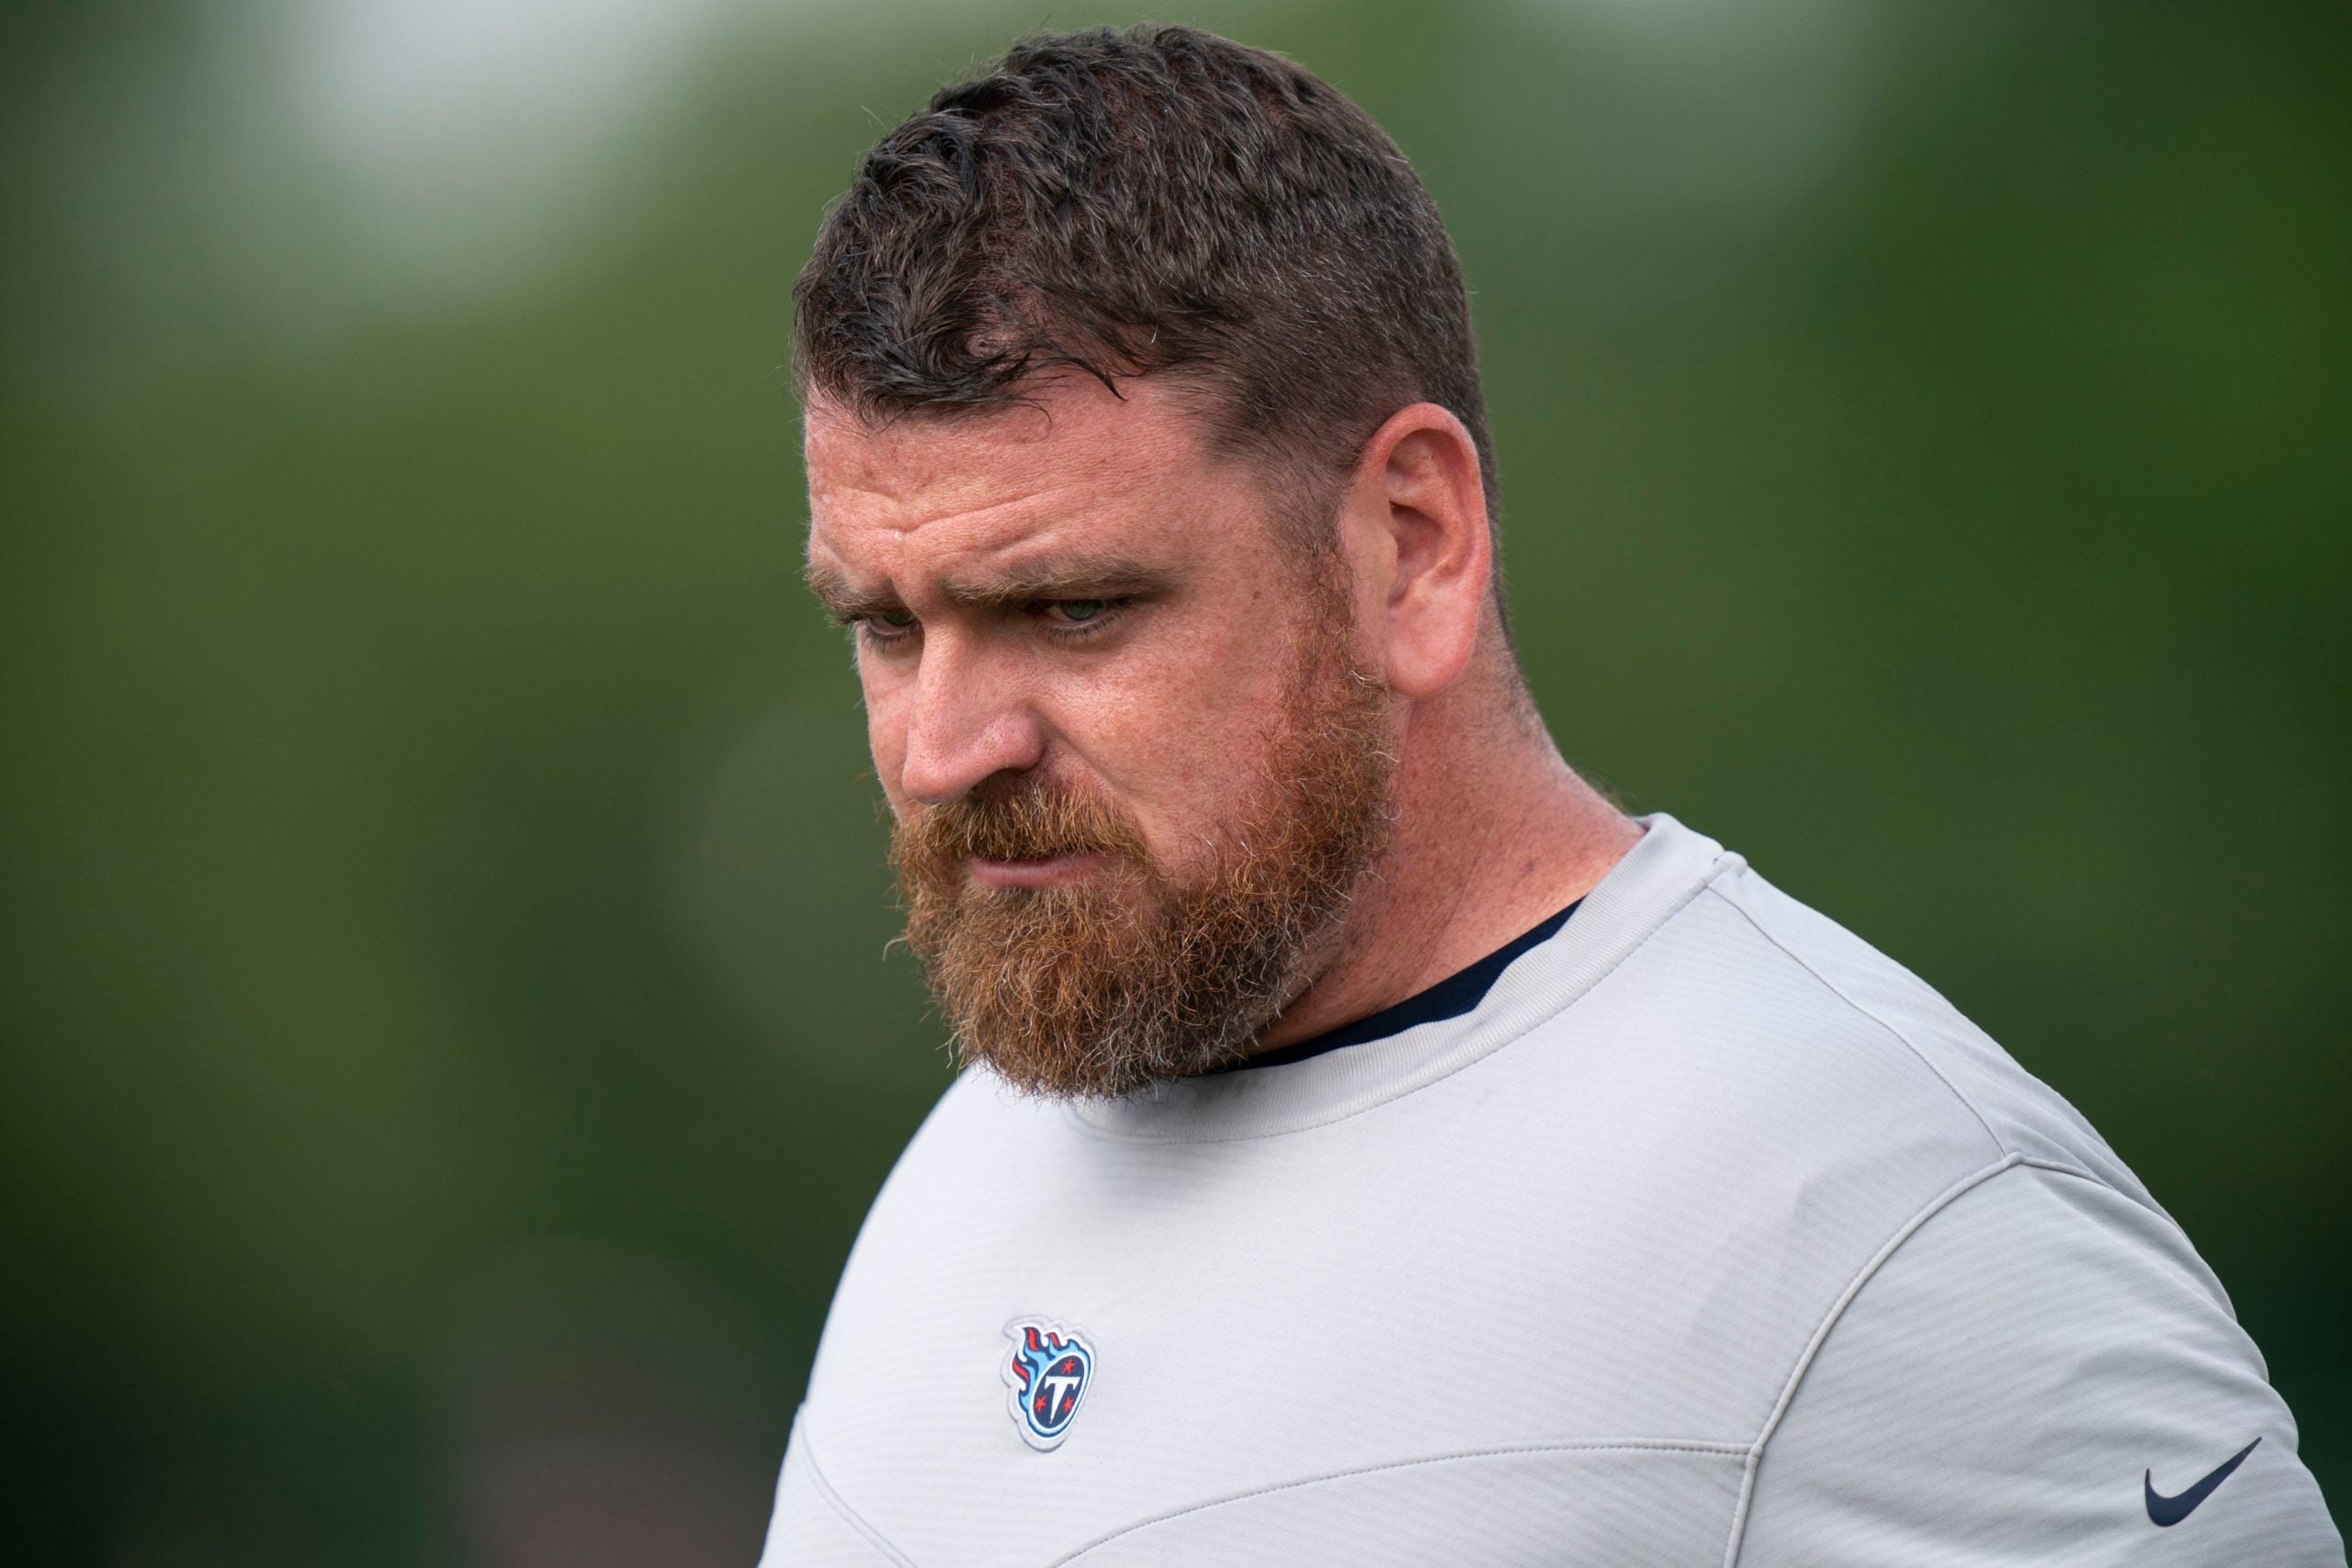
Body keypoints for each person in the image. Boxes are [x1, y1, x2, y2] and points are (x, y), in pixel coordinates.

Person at [761, 23, 2341, 1565]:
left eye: (1074, 609)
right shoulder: (965, 1176)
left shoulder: (1883, 1221)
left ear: (1413, 543)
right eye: (888, 627)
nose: (943, 749)